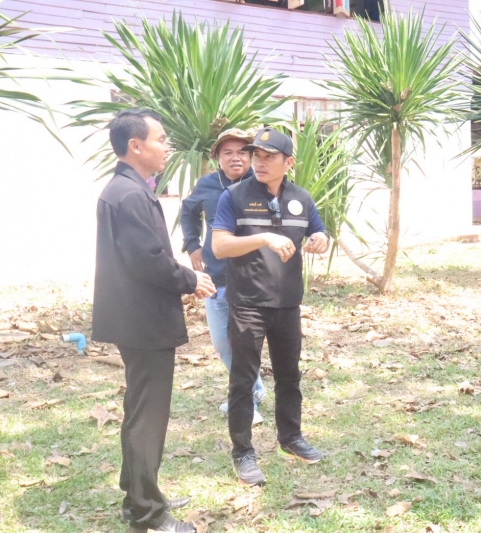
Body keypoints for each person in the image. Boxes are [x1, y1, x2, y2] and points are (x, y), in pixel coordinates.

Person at [92, 109, 216, 533]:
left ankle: (138, 496)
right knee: (148, 417)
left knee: (139, 410)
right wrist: (190, 279)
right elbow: (147, 260)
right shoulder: (128, 194)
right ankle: (148, 514)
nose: (167, 146)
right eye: (160, 139)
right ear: (135, 145)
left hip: (137, 318)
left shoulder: (128, 189)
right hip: (143, 321)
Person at [211, 127, 330, 485]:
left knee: (289, 376)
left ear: (288, 163)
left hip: (287, 303)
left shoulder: (301, 198)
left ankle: (290, 439)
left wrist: (320, 239)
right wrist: (263, 237)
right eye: (256, 156)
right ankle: (243, 452)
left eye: (269, 157)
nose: (259, 163)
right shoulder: (234, 196)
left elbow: (319, 232)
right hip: (248, 303)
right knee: (243, 380)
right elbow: (219, 246)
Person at [180, 129, 266, 425]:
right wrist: (192, 245)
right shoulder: (207, 185)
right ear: (217, 157)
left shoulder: (262, 183)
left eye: (242, 152)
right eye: (227, 152)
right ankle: (254, 386)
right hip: (217, 277)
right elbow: (188, 211)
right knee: (221, 342)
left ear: (252, 156)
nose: (235, 158)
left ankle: (247, 401)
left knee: (244, 343)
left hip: (254, 279)